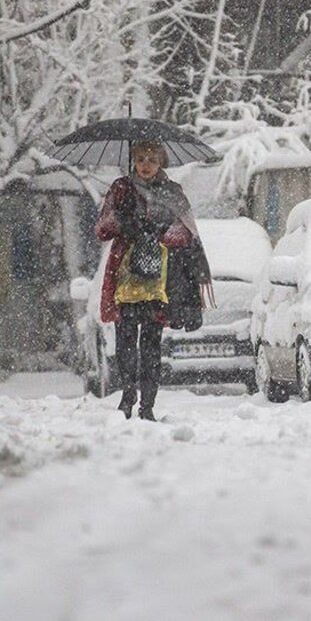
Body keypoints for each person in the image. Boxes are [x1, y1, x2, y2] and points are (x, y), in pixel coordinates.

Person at [94, 140, 213, 420]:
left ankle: (148, 405)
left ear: (161, 163)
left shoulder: (173, 192)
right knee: (125, 341)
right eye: (141, 159)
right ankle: (127, 396)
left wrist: (160, 232)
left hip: (159, 279)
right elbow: (102, 229)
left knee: (150, 344)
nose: (146, 165)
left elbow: (186, 234)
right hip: (124, 278)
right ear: (133, 160)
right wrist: (125, 221)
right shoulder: (121, 189)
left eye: (152, 159)